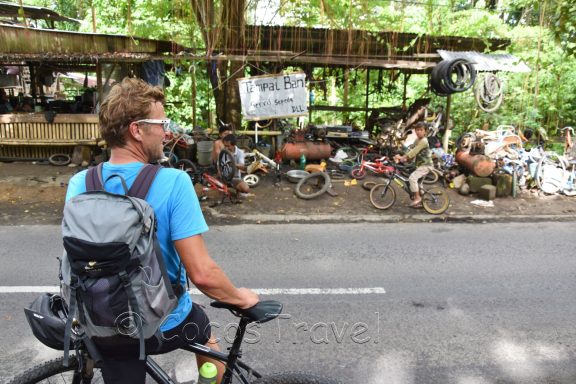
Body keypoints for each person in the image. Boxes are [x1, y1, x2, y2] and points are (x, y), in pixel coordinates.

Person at [65, 77, 259, 384]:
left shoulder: (79, 184)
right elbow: (203, 274)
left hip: (96, 321)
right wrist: (241, 298)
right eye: (161, 123)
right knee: (200, 325)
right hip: (160, 324)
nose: (167, 132)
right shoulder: (174, 182)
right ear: (137, 130)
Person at [394, 121, 433, 207]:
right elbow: (410, 150)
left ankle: (418, 198)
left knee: (412, 178)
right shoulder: (417, 140)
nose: (418, 131)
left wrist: (403, 158)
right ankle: (422, 201)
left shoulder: (424, 141)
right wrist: (401, 156)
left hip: (426, 165)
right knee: (417, 182)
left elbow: (414, 152)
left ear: (425, 131)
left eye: (421, 130)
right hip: (420, 165)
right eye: (417, 130)